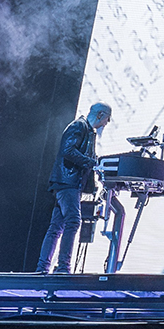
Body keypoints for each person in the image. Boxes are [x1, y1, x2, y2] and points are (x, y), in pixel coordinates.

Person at [36, 101, 110, 274]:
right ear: (100, 115)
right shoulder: (78, 126)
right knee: (73, 221)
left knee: (56, 226)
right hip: (67, 181)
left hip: (69, 182)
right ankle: (63, 267)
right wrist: (92, 163)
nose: (107, 123)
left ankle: (42, 268)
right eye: (107, 118)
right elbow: (68, 150)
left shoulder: (88, 131)